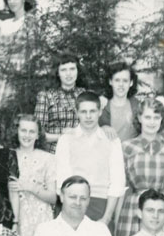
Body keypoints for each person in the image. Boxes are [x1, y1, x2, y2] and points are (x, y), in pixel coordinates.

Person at [115, 100, 164, 236]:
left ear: (161, 119)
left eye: (156, 117)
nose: (152, 122)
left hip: (162, 209)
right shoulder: (126, 147)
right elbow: (120, 188)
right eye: (147, 117)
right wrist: (117, 222)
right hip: (134, 210)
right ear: (139, 118)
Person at [54, 93, 125, 224]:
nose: (88, 116)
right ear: (77, 112)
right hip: (71, 202)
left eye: (92, 111)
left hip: (101, 204)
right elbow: (62, 178)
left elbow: (117, 182)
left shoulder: (112, 141)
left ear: (100, 112)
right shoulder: (66, 139)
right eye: (83, 111)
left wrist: (106, 217)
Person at [9, 114, 57, 236]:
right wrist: (14, 221)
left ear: (38, 135)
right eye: (23, 130)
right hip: (17, 218)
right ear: (17, 131)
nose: (27, 135)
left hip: (41, 218)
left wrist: (30, 187)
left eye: (32, 131)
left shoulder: (48, 159)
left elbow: (53, 197)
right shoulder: (9, 155)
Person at [34, 56, 86, 149]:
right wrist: (64, 136)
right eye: (63, 70)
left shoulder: (85, 94)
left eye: (72, 69)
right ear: (57, 73)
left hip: (80, 149)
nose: (68, 73)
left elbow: (92, 127)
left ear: (78, 71)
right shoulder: (46, 96)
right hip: (54, 151)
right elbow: (37, 133)